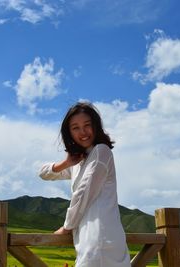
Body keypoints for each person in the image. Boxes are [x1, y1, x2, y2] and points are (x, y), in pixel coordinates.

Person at [39, 102, 131, 267]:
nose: (82, 132)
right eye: (75, 128)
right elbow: (43, 174)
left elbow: (83, 193)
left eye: (87, 125)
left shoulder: (102, 152)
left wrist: (66, 227)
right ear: (69, 133)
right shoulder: (79, 162)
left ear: (96, 126)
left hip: (100, 239)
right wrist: (66, 163)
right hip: (88, 240)